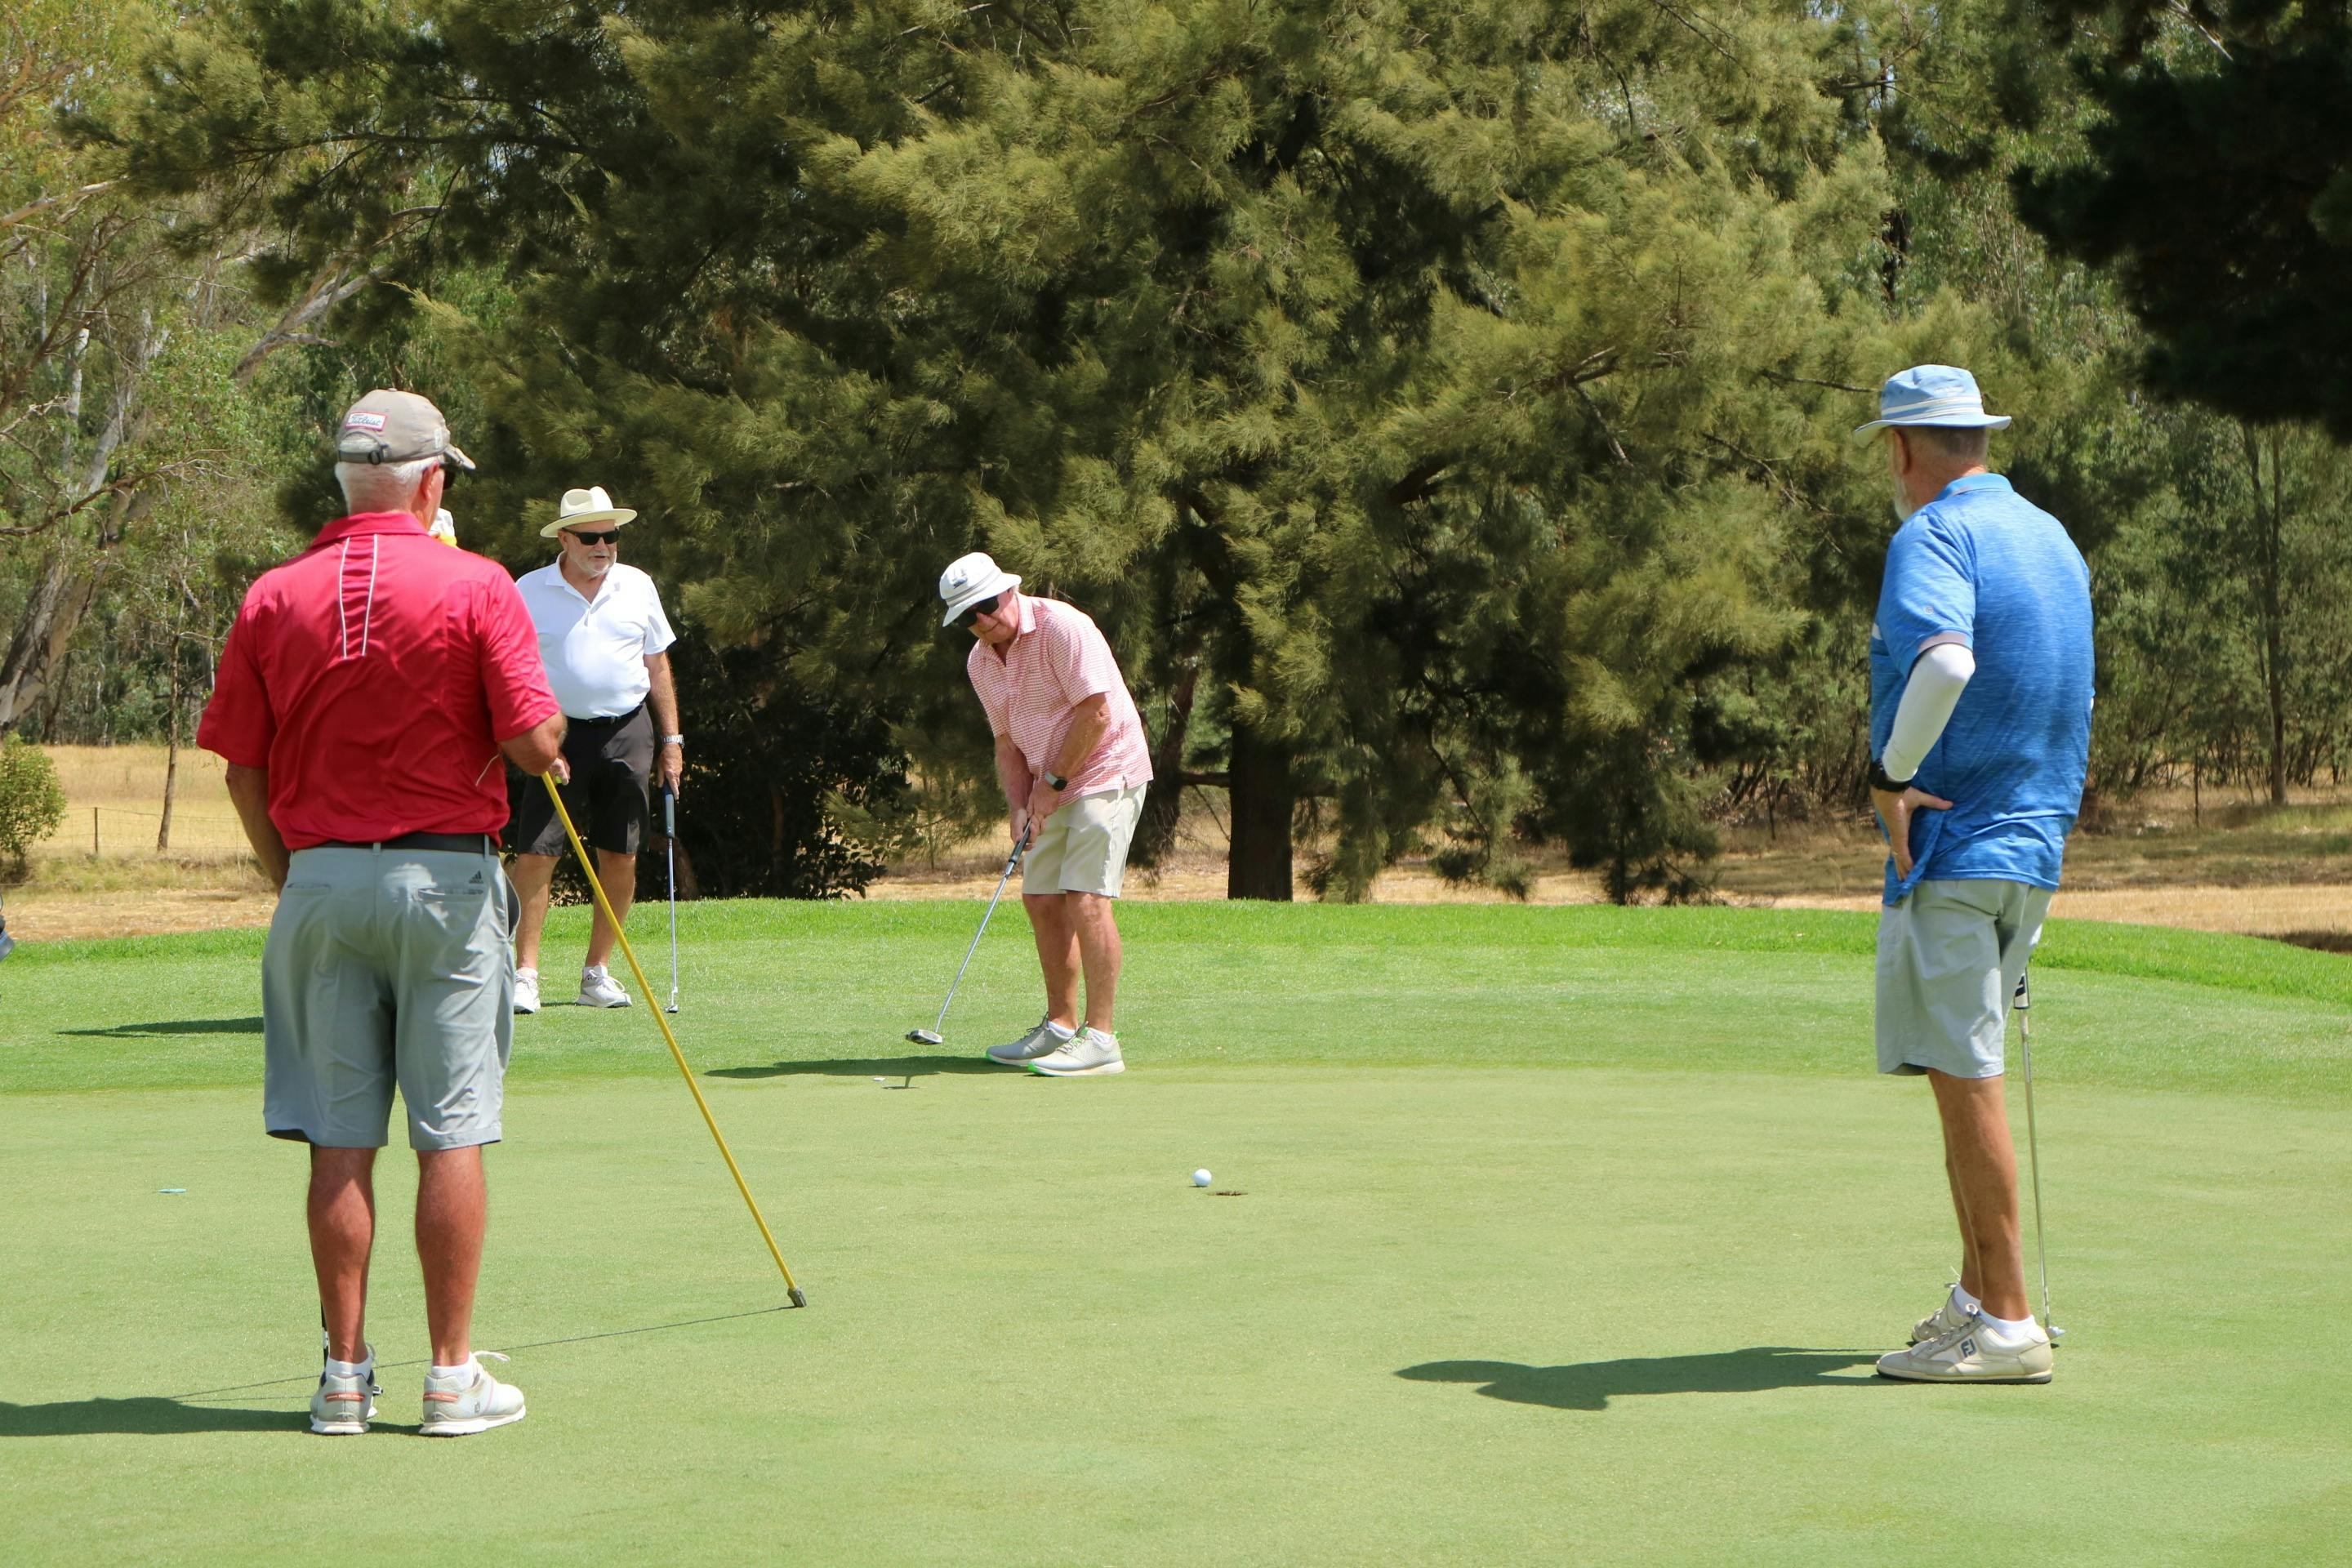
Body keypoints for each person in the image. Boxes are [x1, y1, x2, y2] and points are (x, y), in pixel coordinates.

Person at [198, 389, 564, 1436]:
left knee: (339, 1141)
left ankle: (344, 1381)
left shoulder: (274, 594)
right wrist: (543, 742)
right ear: (431, 482)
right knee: (451, 1135)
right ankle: (450, 1379)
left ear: (347, 480)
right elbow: (535, 745)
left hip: (321, 883)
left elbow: (241, 769)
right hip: (445, 884)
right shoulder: (477, 582)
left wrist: (294, 878)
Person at [1854, 365, 2093, 1384]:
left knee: (1967, 1081)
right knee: (1970, 1070)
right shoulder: (2052, 537)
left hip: (1954, 849)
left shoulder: (1934, 534)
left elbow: (1946, 662)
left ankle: (2006, 1324)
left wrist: (1890, 774)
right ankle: (1972, 1295)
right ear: (1978, 438)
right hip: (2032, 849)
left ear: (1903, 448)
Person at [941, 551, 1153, 1076]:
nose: (982, 620)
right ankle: (1060, 1025)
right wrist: (1019, 805)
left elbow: (1096, 713)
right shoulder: (980, 662)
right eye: (968, 616)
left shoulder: (1063, 627)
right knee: (1040, 898)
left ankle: (1101, 1040)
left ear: (1009, 590)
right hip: (1045, 785)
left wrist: (1053, 784)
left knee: (1086, 898)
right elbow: (1007, 742)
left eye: (988, 605)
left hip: (1106, 770)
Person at [506, 487, 684, 1012]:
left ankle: (596, 973)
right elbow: (512, 671)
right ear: (564, 539)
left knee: (620, 853)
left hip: (627, 729)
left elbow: (657, 666)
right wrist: (538, 739)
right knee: (537, 852)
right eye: (590, 537)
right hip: (554, 733)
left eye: (610, 535)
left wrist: (672, 741)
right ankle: (525, 975)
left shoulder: (637, 585)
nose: (603, 546)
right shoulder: (528, 590)